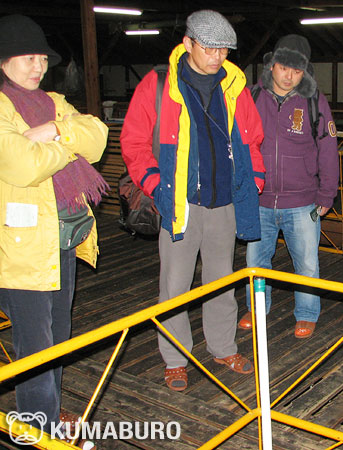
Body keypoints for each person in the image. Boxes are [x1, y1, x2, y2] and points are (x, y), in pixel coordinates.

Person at [120, 10, 265, 391]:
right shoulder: (159, 84)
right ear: (187, 43)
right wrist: (155, 185)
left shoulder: (234, 86)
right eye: (210, 48)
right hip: (179, 205)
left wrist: (255, 178)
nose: (218, 57)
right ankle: (175, 358)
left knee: (222, 281)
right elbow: (134, 141)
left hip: (224, 203)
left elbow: (251, 138)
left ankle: (223, 347)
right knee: (175, 285)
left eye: (224, 50)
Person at [0, 14, 108, 438]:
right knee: (35, 343)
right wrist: (69, 145)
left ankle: (48, 413)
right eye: (28, 58)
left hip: (62, 237)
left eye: (42, 58)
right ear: (4, 60)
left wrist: (53, 130)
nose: (38, 67)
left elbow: (97, 136)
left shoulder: (54, 103)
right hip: (20, 246)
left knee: (59, 333)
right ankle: (37, 428)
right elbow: (23, 165)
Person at [237, 34, 338, 339]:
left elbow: (328, 149)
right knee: (256, 262)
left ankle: (307, 313)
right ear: (272, 65)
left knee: (306, 263)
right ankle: (257, 308)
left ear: (304, 71)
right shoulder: (252, 97)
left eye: (296, 71)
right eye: (284, 68)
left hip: (302, 200)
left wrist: (327, 193)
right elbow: (238, 143)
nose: (289, 76)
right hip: (259, 198)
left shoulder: (314, 101)